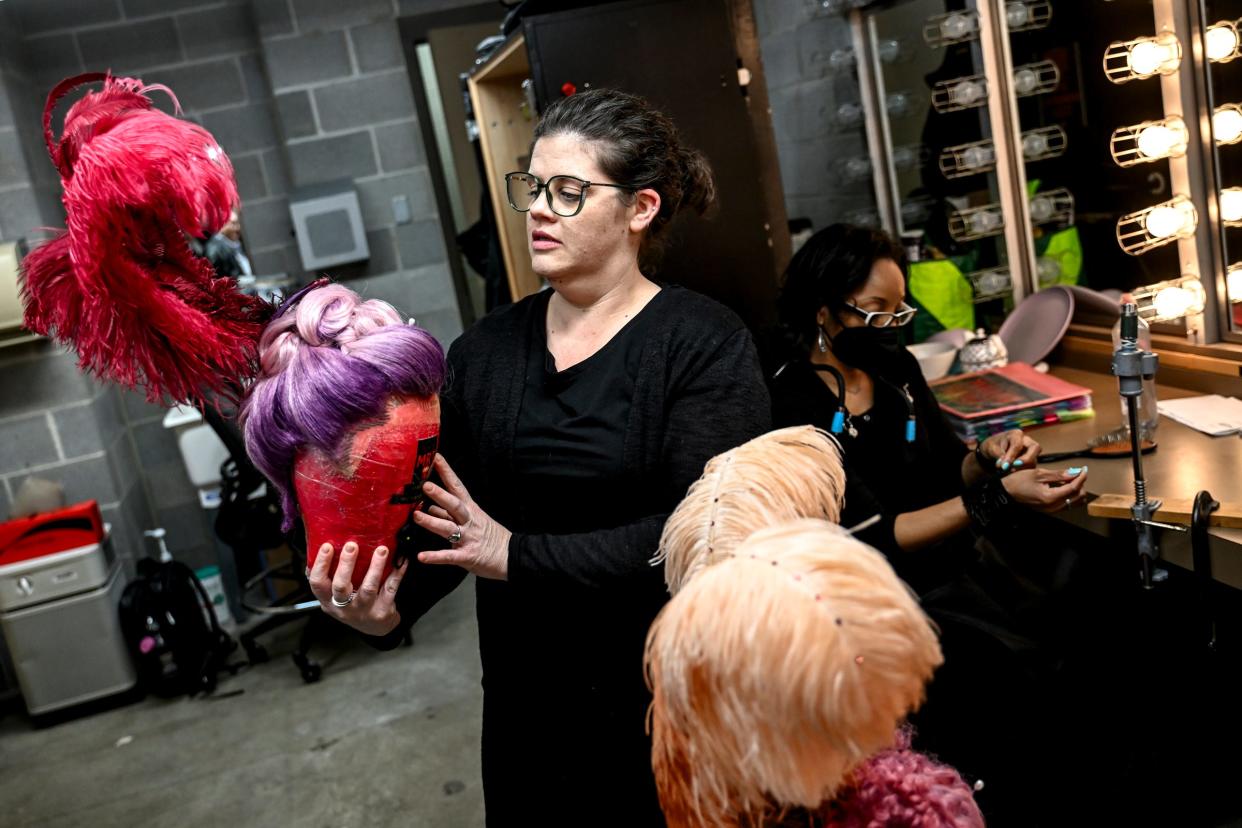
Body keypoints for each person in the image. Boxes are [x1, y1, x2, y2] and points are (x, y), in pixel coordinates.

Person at [306, 88, 771, 824]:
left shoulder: (703, 343)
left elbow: (705, 537)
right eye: (533, 187)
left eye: (568, 191)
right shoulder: (484, 354)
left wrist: (516, 555)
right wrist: (380, 610)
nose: (539, 209)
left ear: (639, 208)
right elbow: (444, 525)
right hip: (530, 716)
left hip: (667, 710)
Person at [764, 224, 1095, 823]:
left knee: (1079, 630)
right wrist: (997, 500)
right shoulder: (793, 406)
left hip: (956, 565)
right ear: (823, 309)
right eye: (876, 311)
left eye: (900, 310)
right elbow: (878, 536)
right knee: (1007, 673)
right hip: (885, 598)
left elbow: (950, 466)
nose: (893, 327)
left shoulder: (895, 368)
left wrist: (990, 455)